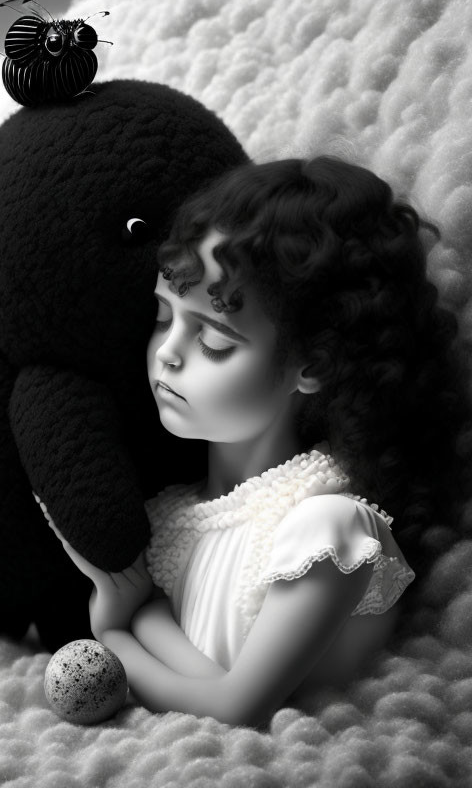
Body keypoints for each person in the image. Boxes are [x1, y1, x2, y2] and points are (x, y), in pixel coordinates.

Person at [51, 156, 471, 727]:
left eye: (215, 340)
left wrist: (117, 630)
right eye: (162, 314)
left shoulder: (328, 529)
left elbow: (237, 704)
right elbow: (207, 675)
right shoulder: (166, 517)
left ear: (314, 364)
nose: (168, 353)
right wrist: (139, 614)